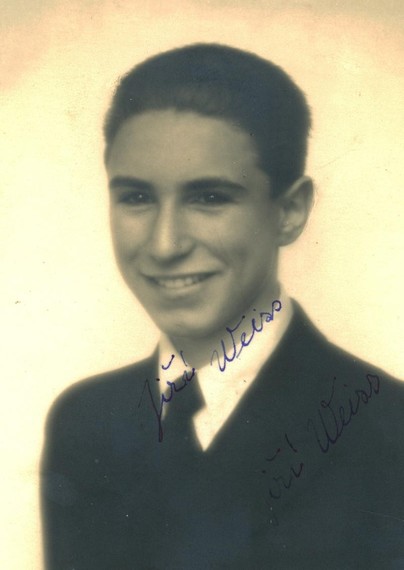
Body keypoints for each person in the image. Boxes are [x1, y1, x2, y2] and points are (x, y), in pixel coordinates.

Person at [41, 44, 404, 569]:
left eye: (209, 198)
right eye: (137, 197)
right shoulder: (85, 420)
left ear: (290, 211)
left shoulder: (387, 432)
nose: (165, 245)